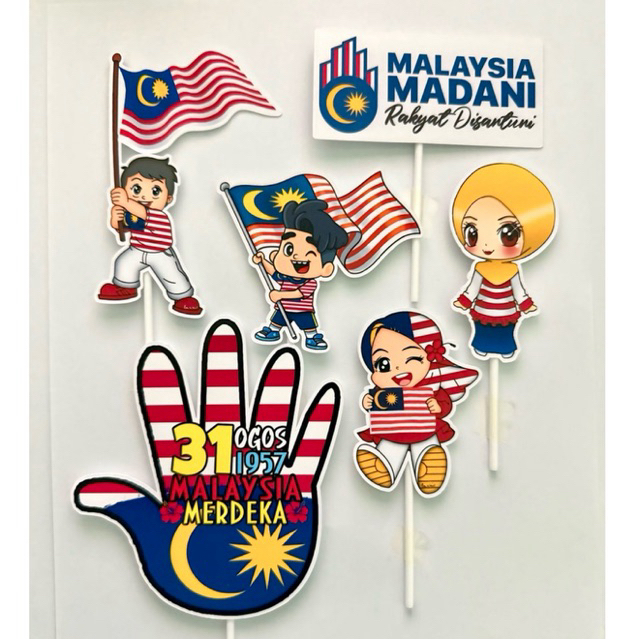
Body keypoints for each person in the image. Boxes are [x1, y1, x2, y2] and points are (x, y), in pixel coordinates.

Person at [355, 311, 478, 497]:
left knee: (427, 447)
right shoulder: (384, 392)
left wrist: (438, 406)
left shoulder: (432, 386)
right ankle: (385, 466)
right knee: (390, 448)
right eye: (384, 364)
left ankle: (429, 465)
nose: (398, 368)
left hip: (425, 429)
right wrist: (368, 402)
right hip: (392, 431)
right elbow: (376, 405)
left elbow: (444, 401)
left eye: (412, 358)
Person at [451, 163, 556, 360]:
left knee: (505, 332)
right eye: (473, 233)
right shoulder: (480, 268)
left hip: (506, 311)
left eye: (508, 235)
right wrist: (464, 301)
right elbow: (473, 288)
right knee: (482, 330)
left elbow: (518, 290)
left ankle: (506, 347)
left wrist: (526, 305)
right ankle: (481, 345)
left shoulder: (512, 269)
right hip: (483, 310)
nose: (487, 245)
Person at [97, 156, 203, 316]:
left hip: (160, 253)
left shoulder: (158, 215)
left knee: (172, 275)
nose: (144, 197)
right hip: (137, 249)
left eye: (155, 191)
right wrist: (115, 217)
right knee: (123, 262)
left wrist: (125, 202)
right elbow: (123, 229)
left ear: (168, 198)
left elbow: (144, 213)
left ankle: (183, 297)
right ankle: (126, 286)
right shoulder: (133, 212)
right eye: (136, 189)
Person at [253, 199, 348, 351]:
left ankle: (312, 337)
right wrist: (262, 261)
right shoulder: (285, 277)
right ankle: (272, 330)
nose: (295, 257)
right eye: (288, 249)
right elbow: (272, 272)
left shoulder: (310, 283)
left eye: (308, 254)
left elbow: (298, 293)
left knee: (308, 325)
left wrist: (280, 295)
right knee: (277, 320)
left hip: (303, 311)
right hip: (283, 308)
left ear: (326, 269)